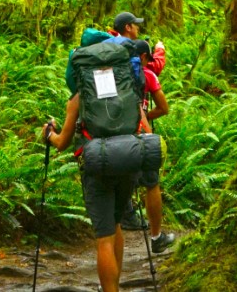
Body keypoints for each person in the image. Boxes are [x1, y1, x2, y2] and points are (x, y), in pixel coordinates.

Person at [44, 20, 158, 292]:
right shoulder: (128, 90)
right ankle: (114, 285)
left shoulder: (79, 97)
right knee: (116, 223)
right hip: (128, 162)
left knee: (104, 235)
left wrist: (48, 134)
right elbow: (145, 128)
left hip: (96, 166)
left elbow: (62, 143)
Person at [111, 12, 176, 254]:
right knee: (151, 182)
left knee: (117, 186)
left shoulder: (109, 68)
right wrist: (144, 118)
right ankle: (157, 237)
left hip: (110, 135)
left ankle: (117, 234)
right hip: (139, 133)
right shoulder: (145, 74)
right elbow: (164, 107)